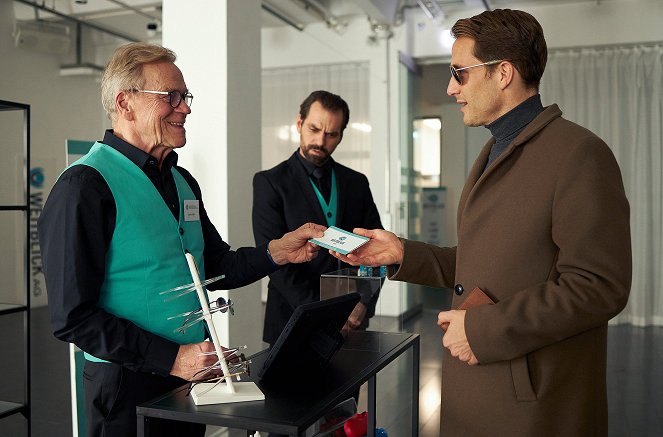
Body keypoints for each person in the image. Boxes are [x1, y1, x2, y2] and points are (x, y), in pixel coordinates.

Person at [331, 9, 631, 437]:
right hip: (481, 390)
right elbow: (485, 264)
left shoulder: (579, 154)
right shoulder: (493, 150)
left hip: (531, 404)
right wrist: (403, 253)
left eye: (460, 73)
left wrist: (483, 328)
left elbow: (599, 286)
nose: (451, 88)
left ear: (503, 73)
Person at [37, 42, 325, 437]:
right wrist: (172, 358)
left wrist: (277, 252)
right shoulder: (84, 187)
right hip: (125, 387)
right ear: (125, 104)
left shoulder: (181, 180)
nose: (185, 107)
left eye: (184, 96)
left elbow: (217, 267)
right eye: (171, 96)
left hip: (188, 380)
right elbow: (72, 318)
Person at [252, 90, 383, 347]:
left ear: (341, 136)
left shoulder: (356, 183)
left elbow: (377, 249)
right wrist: (324, 313)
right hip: (293, 320)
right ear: (299, 124)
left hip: (351, 321)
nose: (320, 141)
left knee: (348, 388)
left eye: (331, 134)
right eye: (314, 129)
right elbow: (275, 261)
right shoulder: (270, 183)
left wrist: (363, 303)